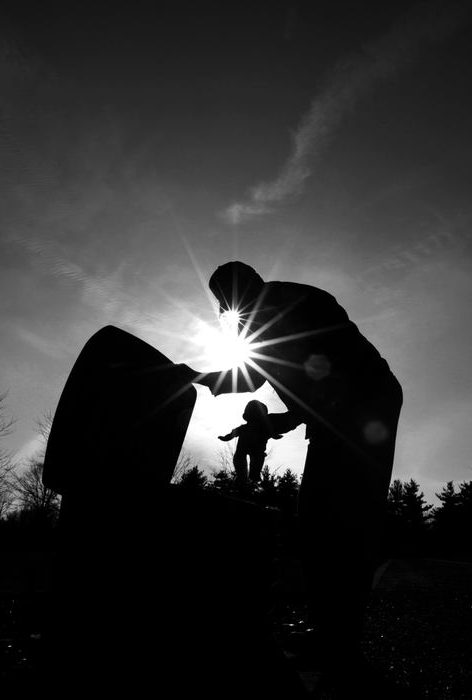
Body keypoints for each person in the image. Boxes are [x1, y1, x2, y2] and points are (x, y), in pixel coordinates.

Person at [191, 261, 403, 687]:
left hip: (367, 408)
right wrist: (281, 419)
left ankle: (341, 645)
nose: (230, 310)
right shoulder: (267, 320)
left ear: (245, 291)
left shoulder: (295, 303)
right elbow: (283, 382)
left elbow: (323, 374)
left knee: (345, 519)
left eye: (229, 300)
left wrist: (196, 376)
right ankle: (330, 636)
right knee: (317, 518)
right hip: (337, 417)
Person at [218, 399, 298, 487]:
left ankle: (253, 473)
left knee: (257, 458)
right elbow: (233, 433)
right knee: (241, 458)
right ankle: (243, 476)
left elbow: (271, 431)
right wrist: (226, 437)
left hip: (256, 450)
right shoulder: (245, 428)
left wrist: (274, 435)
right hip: (244, 449)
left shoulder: (263, 427)